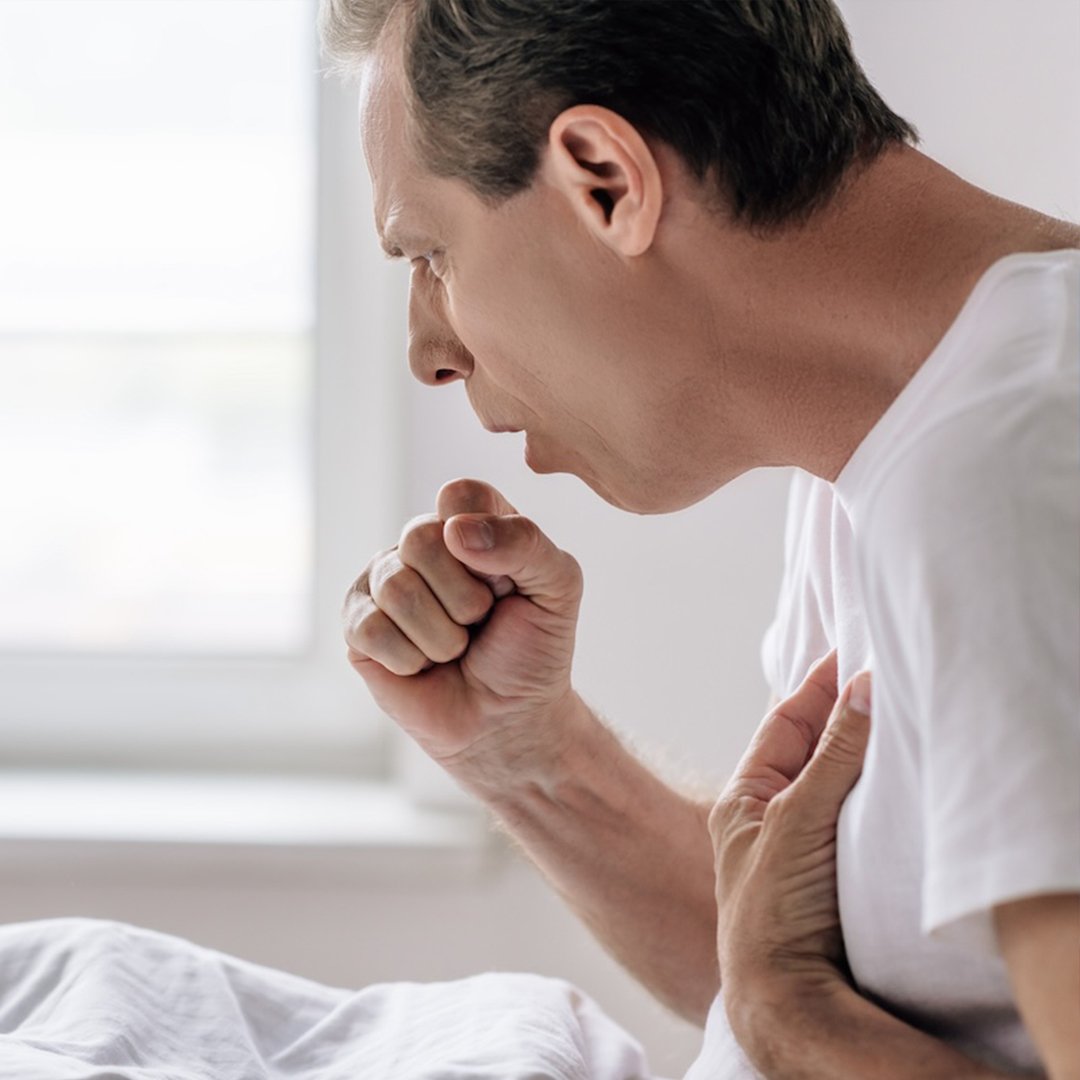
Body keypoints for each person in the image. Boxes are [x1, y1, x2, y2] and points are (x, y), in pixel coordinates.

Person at [324, 0, 1080, 1076]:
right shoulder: (890, 448)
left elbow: (790, 998)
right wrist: (524, 754)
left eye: (430, 253)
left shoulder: (1013, 471)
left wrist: (788, 1025)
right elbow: (800, 958)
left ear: (605, 181)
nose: (428, 352)